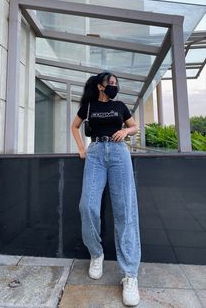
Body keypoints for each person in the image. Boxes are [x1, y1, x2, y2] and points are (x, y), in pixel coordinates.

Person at [71, 71, 141, 307]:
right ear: (100, 86)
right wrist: (82, 148)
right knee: (87, 205)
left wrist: (125, 131)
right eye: (110, 83)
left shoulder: (120, 105)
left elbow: (135, 127)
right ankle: (96, 253)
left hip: (119, 154)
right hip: (96, 154)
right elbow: (75, 126)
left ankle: (130, 275)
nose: (114, 86)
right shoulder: (88, 107)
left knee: (125, 211)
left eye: (115, 83)